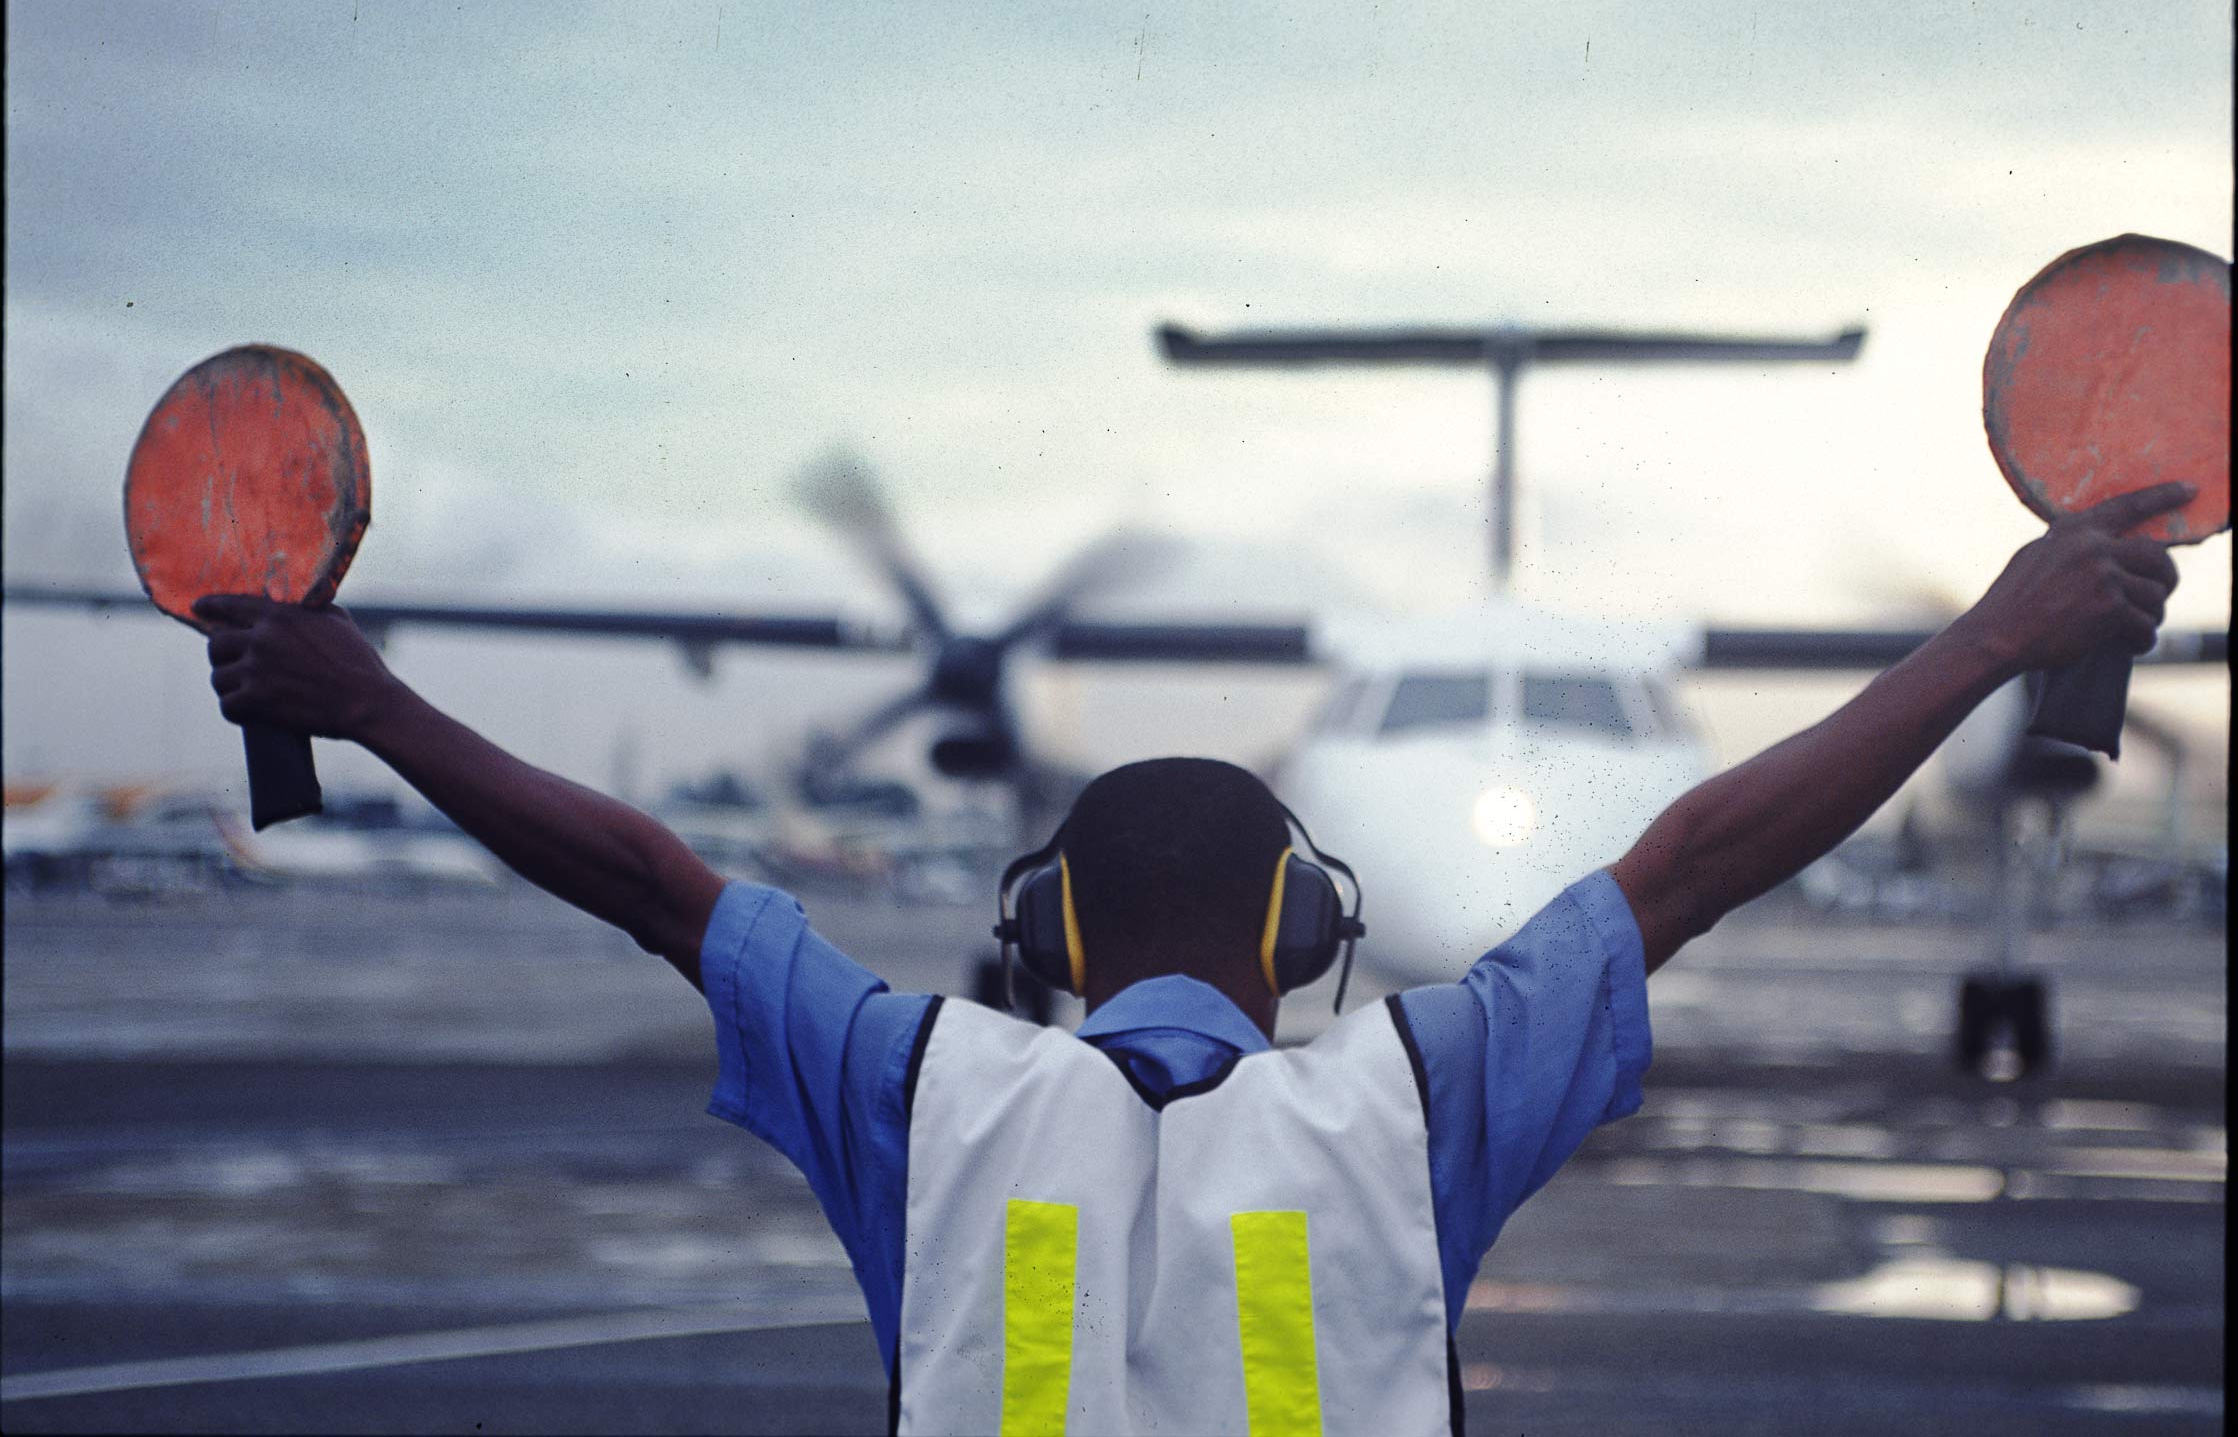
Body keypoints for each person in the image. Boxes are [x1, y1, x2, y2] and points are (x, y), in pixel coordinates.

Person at [193, 481, 2190, 1435]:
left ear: (1042, 933)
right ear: (1310, 925)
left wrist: (369, 702)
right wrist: (1994, 639)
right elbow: (1692, 864)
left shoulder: (918, 1089)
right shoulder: (1413, 1105)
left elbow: (652, 879)